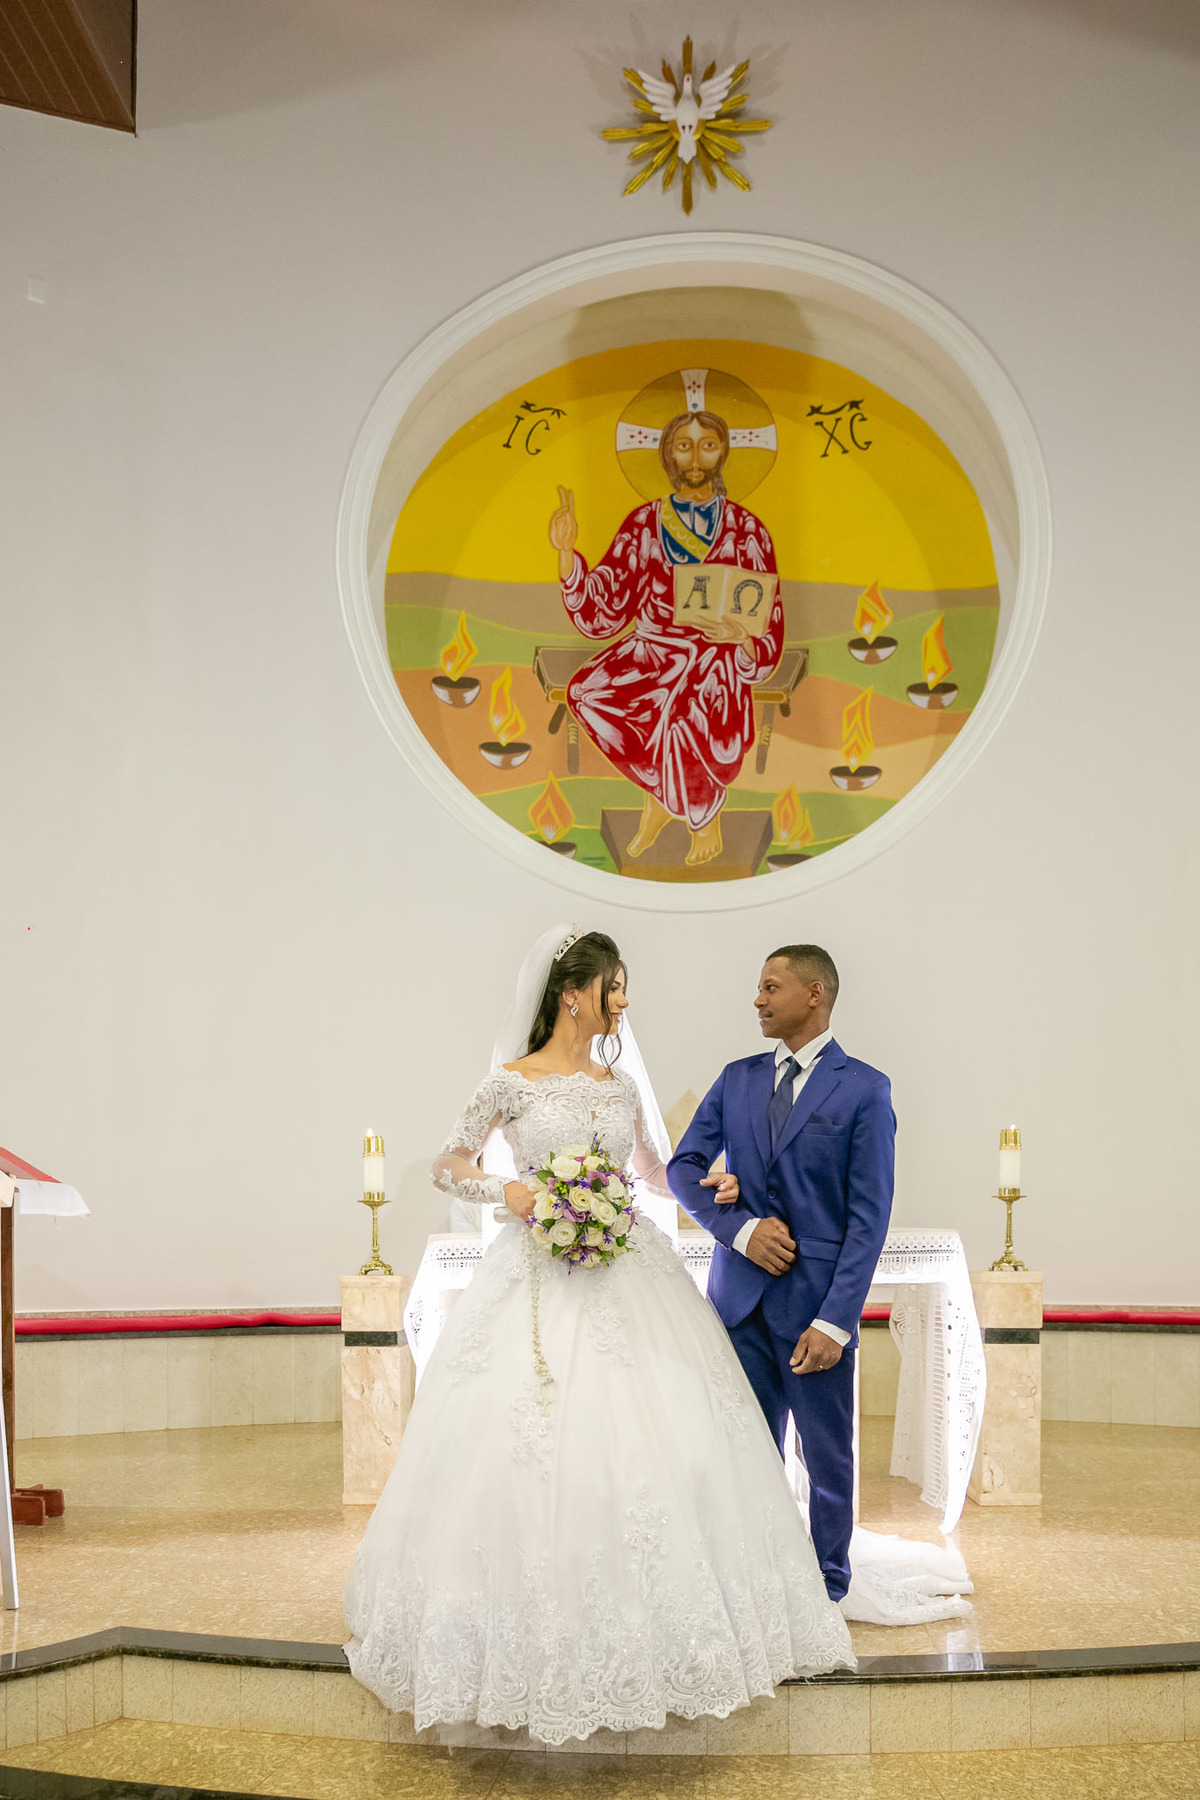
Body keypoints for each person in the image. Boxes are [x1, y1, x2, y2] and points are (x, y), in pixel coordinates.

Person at [344, 927, 854, 1746]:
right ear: (573, 993)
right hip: (535, 1277)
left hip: (627, 1267)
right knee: (530, 1445)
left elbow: (651, 1172)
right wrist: (509, 1192)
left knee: (665, 1440)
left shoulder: (619, 1088)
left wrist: (711, 1182)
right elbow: (447, 1162)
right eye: (614, 986)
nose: (624, 1000)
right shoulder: (511, 1081)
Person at [668, 945, 894, 1605]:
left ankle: (828, 1587)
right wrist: (739, 1229)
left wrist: (836, 1322)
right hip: (737, 1306)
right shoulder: (736, 1078)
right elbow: (684, 1168)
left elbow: (868, 1218)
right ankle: (753, 1579)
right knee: (744, 1454)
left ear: (815, 994)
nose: (758, 999)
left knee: (827, 1459)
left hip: (814, 1311)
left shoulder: (864, 1088)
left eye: (771, 987)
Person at [549, 411, 783, 867]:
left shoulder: (747, 530)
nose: (695, 458)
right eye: (683, 446)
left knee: (681, 712)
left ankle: (703, 817)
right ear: (667, 454)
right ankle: (662, 796)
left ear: (723, 451)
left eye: (707, 445)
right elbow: (606, 606)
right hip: (649, 653)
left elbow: (768, 622)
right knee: (585, 694)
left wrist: (740, 638)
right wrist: (566, 554)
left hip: (715, 659)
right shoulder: (643, 524)